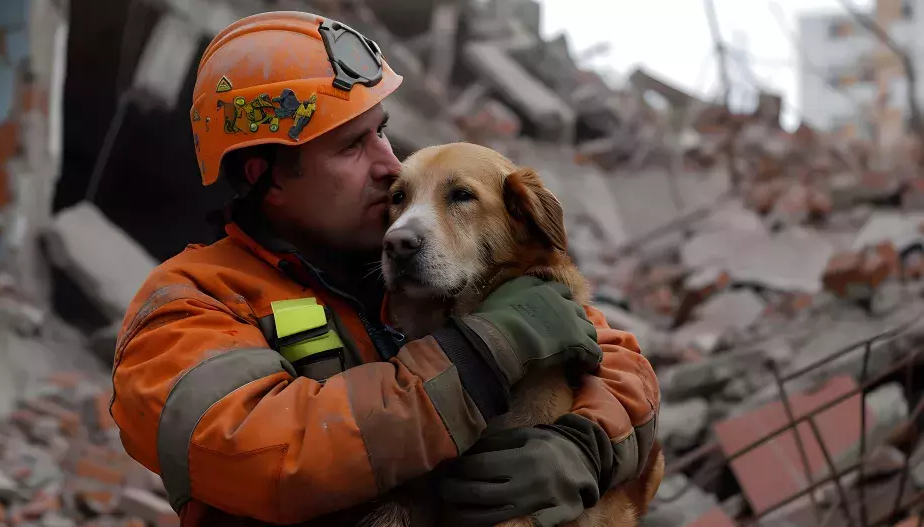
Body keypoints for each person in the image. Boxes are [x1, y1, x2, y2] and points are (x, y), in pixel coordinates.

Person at [110, 10, 659, 527]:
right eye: (352, 146)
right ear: (267, 177)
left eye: (381, 131)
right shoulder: (191, 302)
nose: (390, 164)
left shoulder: (436, 260)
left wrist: (586, 443)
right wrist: (482, 354)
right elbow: (265, 451)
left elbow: (619, 365)